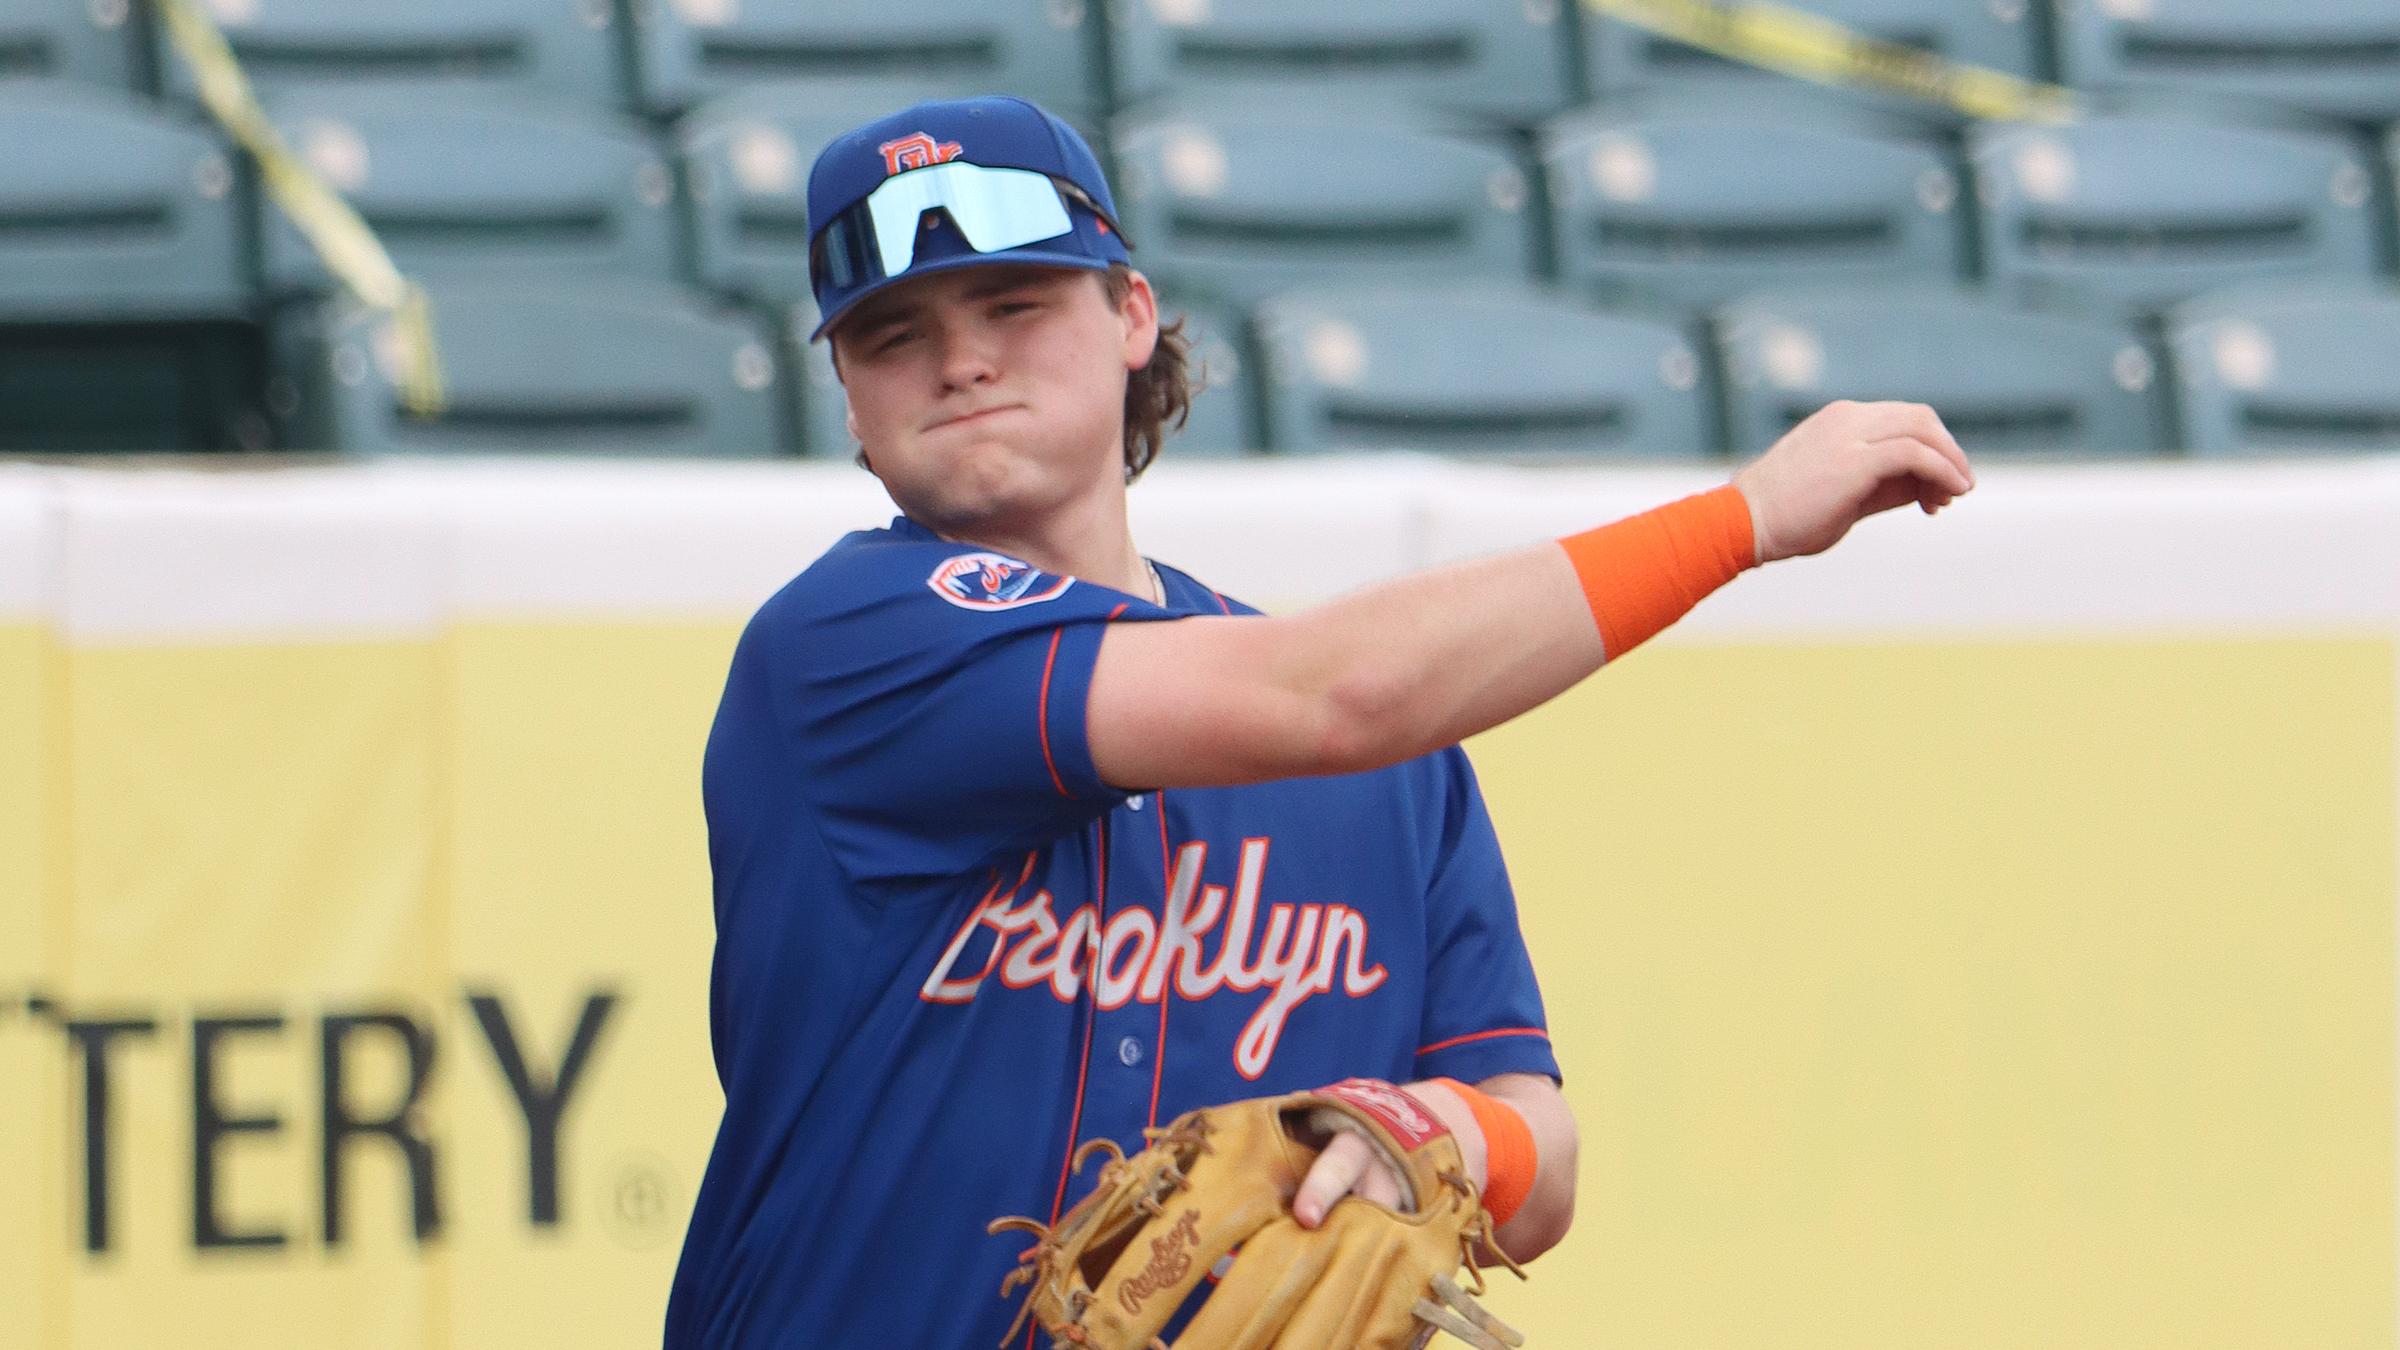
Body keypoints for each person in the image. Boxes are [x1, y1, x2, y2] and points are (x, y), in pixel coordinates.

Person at [662, 95, 1974, 1348]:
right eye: (895, 334)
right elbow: (1331, 690)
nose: (960, 358)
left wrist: (1451, 1132)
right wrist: (1737, 523)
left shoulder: (1390, 764)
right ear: (844, 389)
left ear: (1131, 313)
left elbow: (1542, 1152)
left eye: (1013, 301)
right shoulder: (845, 645)